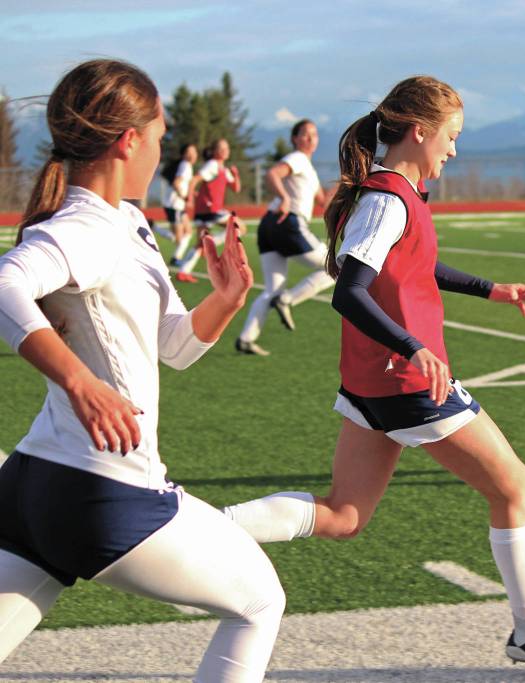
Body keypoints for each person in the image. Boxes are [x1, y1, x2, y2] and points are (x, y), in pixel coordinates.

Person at [223, 76, 525, 671]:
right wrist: (413, 348)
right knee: (513, 488)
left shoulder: (394, 193)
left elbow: (417, 266)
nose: (454, 150)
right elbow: (348, 293)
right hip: (405, 384)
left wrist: (489, 289)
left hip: (370, 385)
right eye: (451, 136)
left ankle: (204, 527)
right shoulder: (388, 198)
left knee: (344, 517)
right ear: (420, 131)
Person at [0, 59, 284, 681]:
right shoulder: (86, 226)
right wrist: (79, 381)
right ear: (129, 140)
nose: (160, 151)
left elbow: (174, 347)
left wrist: (226, 300)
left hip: (31, 487)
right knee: (260, 602)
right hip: (100, 491)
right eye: (157, 137)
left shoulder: (127, 223)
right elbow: (6, 283)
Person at [235, 119, 334, 356]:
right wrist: (284, 197)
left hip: (269, 224)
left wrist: (347, 181)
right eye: (305, 134)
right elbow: (272, 174)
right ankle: (287, 299)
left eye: (314, 135)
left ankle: (246, 339)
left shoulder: (307, 168)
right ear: (295, 139)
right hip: (287, 222)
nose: (311, 138)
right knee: (336, 266)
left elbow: (324, 202)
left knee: (272, 289)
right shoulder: (297, 158)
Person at [175, 138, 242, 283]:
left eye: (227, 148)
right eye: (221, 148)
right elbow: (194, 180)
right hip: (211, 209)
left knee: (199, 243)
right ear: (215, 151)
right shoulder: (212, 165)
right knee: (240, 227)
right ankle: (210, 245)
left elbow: (236, 189)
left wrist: (236, 175)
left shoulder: (223, 169)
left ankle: (183, 272)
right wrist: (191, 199)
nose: (225, 151)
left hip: (204, 211)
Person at [161, 142, 198, 266]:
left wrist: (190, 194)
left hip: (177, 205)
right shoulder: (185, 165)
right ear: (184, 155)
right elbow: (177, 183)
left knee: (188, 231)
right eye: (190, 152)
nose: (193, 154)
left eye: (194, 152)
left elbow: (181, 184)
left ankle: (176, 257)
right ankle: (154, 226)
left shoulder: (186, 165)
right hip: (174, 204)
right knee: (178, 238)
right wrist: (185, 197)